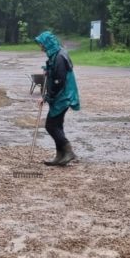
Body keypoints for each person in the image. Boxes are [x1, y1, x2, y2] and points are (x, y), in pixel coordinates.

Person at [35, 31, 81, 166]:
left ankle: (69, 151)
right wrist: (48, 70)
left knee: (51, 125)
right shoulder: (56, 54)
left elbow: (59, 81)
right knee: (57, 125)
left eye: (42, 44)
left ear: (48, 44)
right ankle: (60, 155)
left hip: (64, 96)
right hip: (61, 96)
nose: (41, 47)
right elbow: (54, 73)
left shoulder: (60, 57)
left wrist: (47, 97)